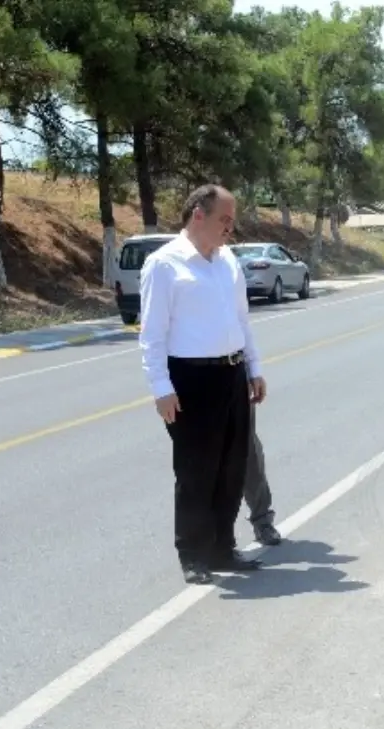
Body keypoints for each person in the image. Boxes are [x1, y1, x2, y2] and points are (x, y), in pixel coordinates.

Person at [139, 184, 267, 585]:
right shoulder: (165, 265)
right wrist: (161, 388)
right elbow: (152, 335)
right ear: (198, 214)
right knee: (197, 470)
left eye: (232, 220)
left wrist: (254, 368)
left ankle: (222, 547)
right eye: (224, 219)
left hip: (232, 373)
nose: (230, 228)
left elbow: (242, 321)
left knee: (232, 466)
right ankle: (192, 553)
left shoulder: (227, 261)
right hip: (190, 379)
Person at [244, 406, 281, 546]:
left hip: (235, 388)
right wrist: (168, 391)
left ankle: (262, 522)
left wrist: (252, 381)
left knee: (250, 456)